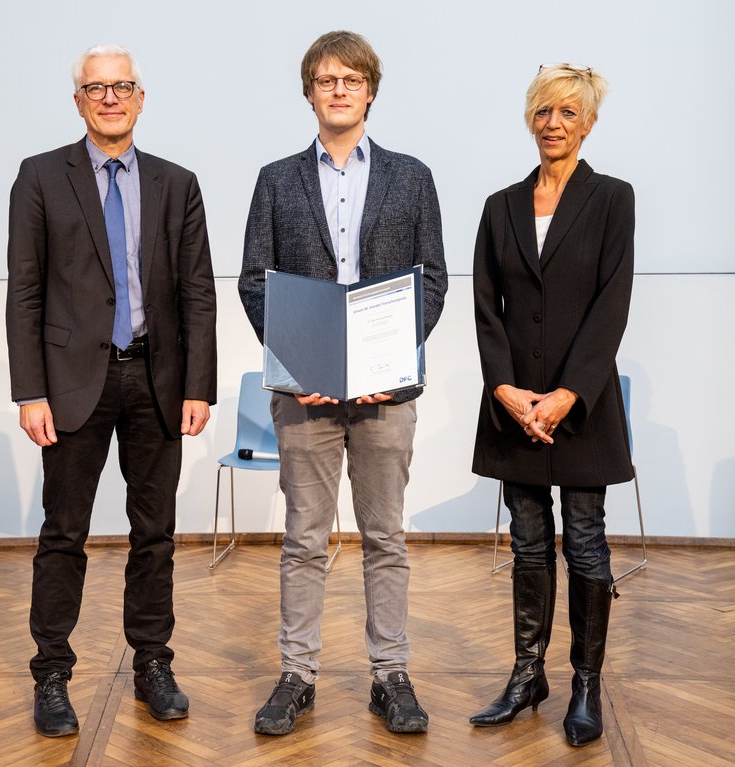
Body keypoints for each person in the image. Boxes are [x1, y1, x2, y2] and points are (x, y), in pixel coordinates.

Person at [238, 30, 448, 737]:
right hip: (306, 394)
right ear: (308, 93)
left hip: (388, 394)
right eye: (325, 80)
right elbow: (255, 282)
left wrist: (387, 365)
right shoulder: (275, 179)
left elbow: (434, 282)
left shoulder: (412, 177)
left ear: (369, 91)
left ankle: (390, 675)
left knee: (385, 536)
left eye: (350, 79)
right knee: (303, 538)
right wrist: (305, 364)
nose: (337, 90)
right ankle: (297, 674)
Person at [6, 43, 217, 738]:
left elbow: (197, 294)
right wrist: (29, 391)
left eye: (121, 85)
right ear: (78, 102)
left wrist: (198, 384)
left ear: (140, 97)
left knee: (153, 534)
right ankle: (52, 672)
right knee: (63, 532)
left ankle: (153, 661)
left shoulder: (176, 183)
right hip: (71, 385)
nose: (109, 97)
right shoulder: (40, 178)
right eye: (96, 88)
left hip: (156, 379)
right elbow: (26, 293)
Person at [468, 64, 634, 747]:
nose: (554, 123)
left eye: (568, 112)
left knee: (587, 542)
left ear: (588, 122)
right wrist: (506, 390)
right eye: (543, 111)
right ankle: (526, 674)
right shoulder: (501, 204)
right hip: (516, 407)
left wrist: (568, 394)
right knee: (528, 543)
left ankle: (585, 683)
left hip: (580, 406)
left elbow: (611, 303)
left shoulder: (613, 198)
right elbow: (485, 304)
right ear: (530, 120)